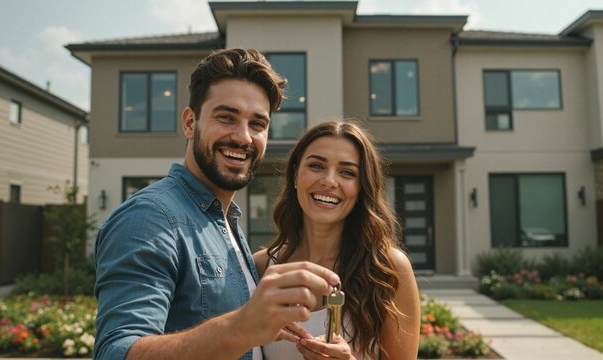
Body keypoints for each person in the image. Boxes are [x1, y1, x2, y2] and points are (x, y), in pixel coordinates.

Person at [93, 48, 341, 360]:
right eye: (226, 117)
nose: (244, 137)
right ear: (189, 123)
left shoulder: (225, 220)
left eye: (257, 124)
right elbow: (116, 353)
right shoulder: (150, 218)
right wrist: (241, 326)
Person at [254, 120, 421, 360]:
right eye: (316, 165)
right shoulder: (262, 267)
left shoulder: (389, 268)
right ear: (295, 175)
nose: (329, 181)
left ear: (362, 187)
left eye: (347, 172)